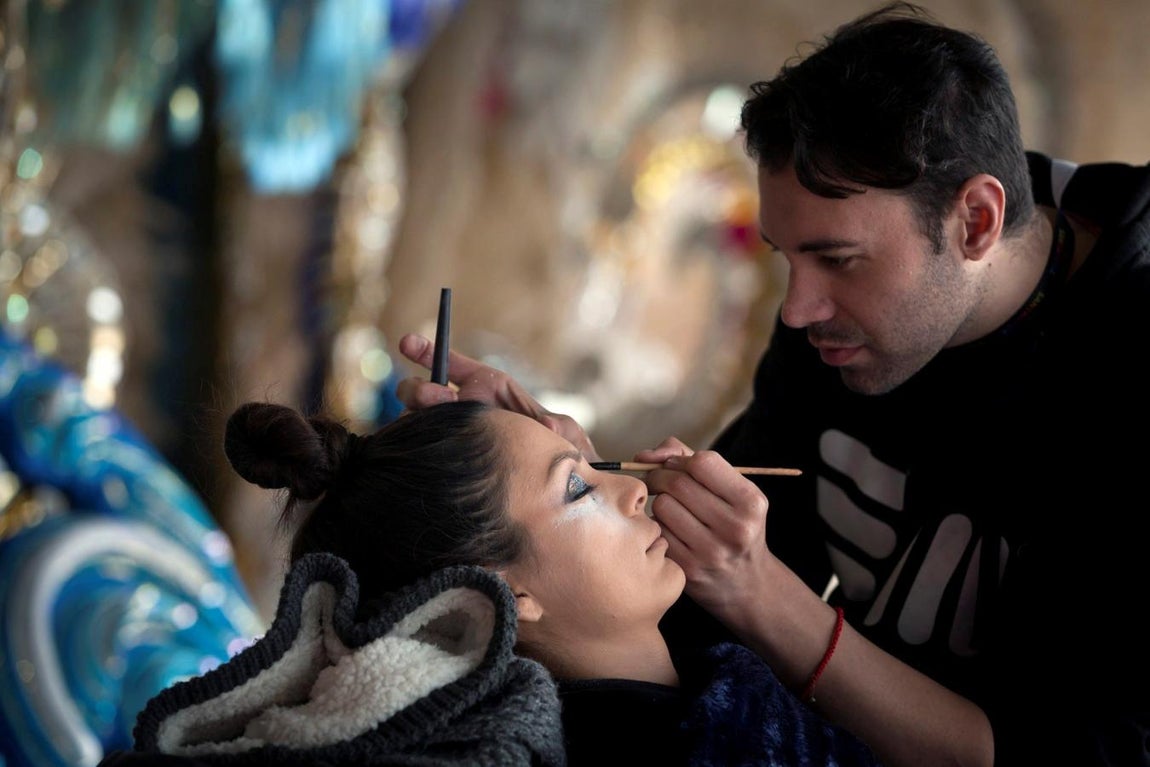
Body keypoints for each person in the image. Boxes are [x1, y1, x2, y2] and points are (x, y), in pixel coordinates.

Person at [394, 2, 1150, 766]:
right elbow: (708, 561)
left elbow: (1045, 754)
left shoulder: (1124, 388)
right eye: (786, 258)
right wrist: (564, 466)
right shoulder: (833, 328)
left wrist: (761, 595)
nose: (797, 308)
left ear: (976, 222)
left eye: (839, 259)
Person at [100, 400, 881, 766]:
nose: (635, 487)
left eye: (598, 465)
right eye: (581, 489)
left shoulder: (708, 675)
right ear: (496, 592)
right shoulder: (670, 744)